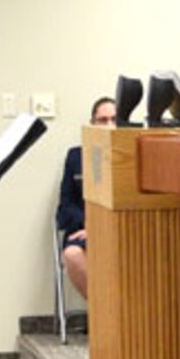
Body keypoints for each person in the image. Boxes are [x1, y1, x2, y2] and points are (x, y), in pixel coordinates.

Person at [57, 95, 117, 297]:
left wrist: (103, 228)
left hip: (121, 230)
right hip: (83, 230)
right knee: (72, 254)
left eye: (114, 120)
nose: (109, 125)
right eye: (103, 120)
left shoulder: (132, 155)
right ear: (92, 124)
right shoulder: (76, 157)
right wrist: (91, 226)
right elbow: (65, 205)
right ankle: (104, 314)